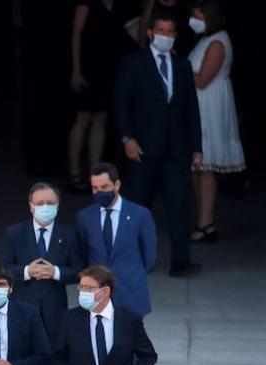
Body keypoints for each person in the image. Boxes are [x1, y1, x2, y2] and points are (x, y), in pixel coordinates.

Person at [114, 8, 203, 277]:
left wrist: (197, 147)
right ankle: (136, 261)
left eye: (169, 32)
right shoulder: (134, 63)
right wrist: (127, 138)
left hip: (176, 149)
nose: (164, 36)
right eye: (160, 31)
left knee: (179, 205)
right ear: (150, 32)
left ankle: (181, 261)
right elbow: (121, 104)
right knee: (139, 207)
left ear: (175, 35)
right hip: (142, 148)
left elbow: (191, 109)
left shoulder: (182, 65)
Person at [0, 182, 82, 365]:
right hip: (23, 310)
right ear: (31, 206)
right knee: (21, 364)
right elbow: (2, 267)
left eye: (50, 203)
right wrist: (27, 271)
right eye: (41, 203)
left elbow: (79, 270)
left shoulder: (68, 235)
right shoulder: (15, 233)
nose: (45, 208)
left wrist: (55, 272)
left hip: (55, 311)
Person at [67, 0, 141, 190]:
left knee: (101, 118)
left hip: (109, 69)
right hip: (88, 66)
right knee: (82, 118)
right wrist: (76, 69)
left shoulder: (120, 7)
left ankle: (94, 172)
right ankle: (74, 172)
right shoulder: (88, 4)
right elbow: (76, 34)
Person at [188, 0, 245, 243]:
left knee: (207, 165)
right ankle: (202, 217)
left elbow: (201, 80)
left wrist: (177, 70)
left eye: (197, 15)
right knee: (198, 167)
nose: (193, 20)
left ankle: (206, 221)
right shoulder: (205, 40)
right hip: (201, 105)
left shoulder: (218, 42)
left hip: (210, 106)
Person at [76, 162, 157, 317]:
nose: (99, 192)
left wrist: (131, 275)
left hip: (130, 293)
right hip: (97, 294)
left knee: (130, 340)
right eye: (95, 188)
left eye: (104, 187)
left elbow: (149, 257)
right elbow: (82, 252)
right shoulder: (84, 217)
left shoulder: (140, 215)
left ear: (117, 184)